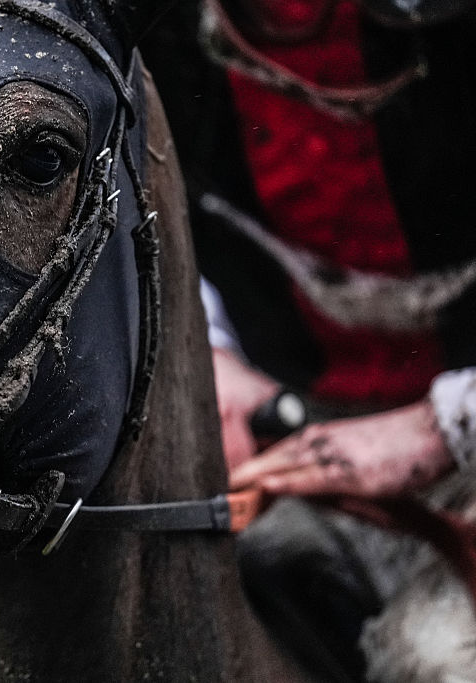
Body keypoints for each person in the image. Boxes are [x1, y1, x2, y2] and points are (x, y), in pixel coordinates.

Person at [140, 1, 476, 680]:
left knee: (435, 661)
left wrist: (447, 422)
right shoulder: (150, 31)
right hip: (306, 423)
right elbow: (138, 207)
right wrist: (212, 353)